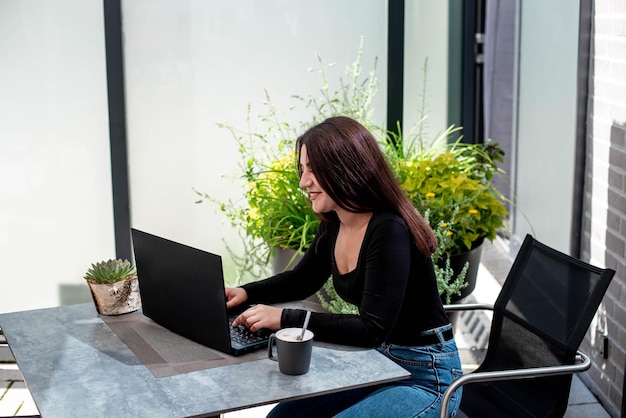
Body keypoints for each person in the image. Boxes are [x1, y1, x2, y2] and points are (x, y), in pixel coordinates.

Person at [226, 116, 463, 417]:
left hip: (427, 378)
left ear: (345, 168)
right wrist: (243, 292)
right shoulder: (336, 223)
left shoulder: (389, 229)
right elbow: (301, 280)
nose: (303, 182)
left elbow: (371, 329)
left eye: (313, 170)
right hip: (381, 363)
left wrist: (286, 318)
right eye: (303, 170)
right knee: (281, 417)